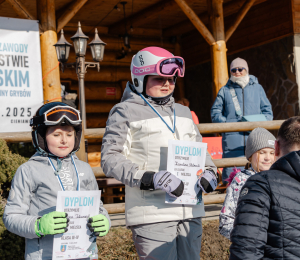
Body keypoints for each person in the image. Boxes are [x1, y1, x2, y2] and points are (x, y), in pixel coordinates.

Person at [101, 47, 218, 260]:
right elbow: (110, 158)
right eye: (158, 78)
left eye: (171, 79)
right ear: (140, 79)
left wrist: (210, 171)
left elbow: (199, 149)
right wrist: (151, 178)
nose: (167, 84)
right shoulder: (124, 111)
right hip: (152, 212)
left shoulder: (183, 111)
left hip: (190, 210)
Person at [3, 102, 111, 260]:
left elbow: (98, 207)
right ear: (41, 136)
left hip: (84, 253)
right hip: (45, 255)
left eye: (69, 134)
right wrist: (38, 225)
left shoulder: (85, 169)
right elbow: (11, 217)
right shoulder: (28, 171)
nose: (64, 140)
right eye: (56, 134)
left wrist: (105, 221)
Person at [230, 116, 300, 259]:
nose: (267, 158)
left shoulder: (260, 185)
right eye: (262, 153)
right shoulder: (247, 181)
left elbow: (246, 250)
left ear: (276, 147)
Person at [210, 58, 273, 184]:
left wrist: (260, 125)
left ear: (247, 70)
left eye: (240, 69)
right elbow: (215, 112)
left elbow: (268, 112)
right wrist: (227, 124)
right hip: (232, 138)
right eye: (233, 70)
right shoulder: (225, 90)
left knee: (257, 172)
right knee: (233, 174)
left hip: (255, 136)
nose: (237, 72)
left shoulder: (258, 88)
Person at [219, 127, 275, 240]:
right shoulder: (241, 181)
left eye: (272, 153)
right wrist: (242, 239)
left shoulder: (279, 178)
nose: (268, 157)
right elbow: (226, 219)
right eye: (262, 152)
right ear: (250, 156)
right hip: (249, 243)